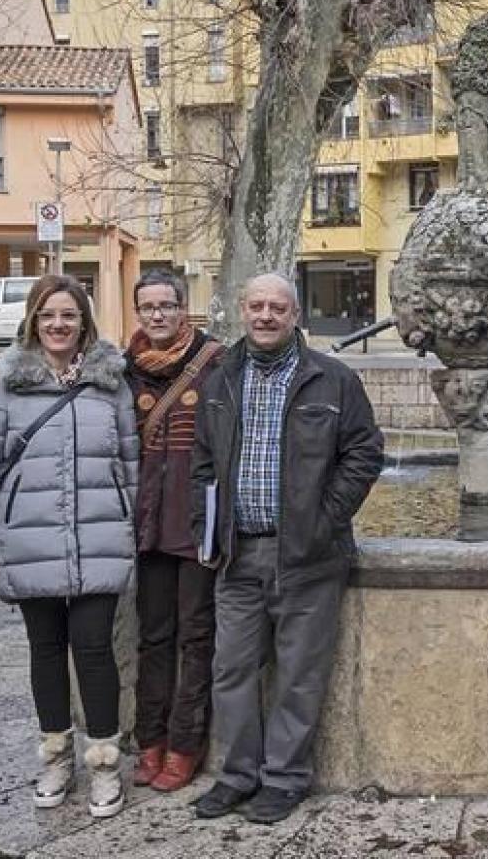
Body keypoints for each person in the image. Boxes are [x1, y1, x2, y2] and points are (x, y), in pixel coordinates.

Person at [190, 273, 384, 825]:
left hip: (306, 557)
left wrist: (324, 520)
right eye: (257, 306)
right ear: (241, 311)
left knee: (299, 674)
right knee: (231, 670)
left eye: (278, 307)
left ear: (295, 315)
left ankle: (284, 779)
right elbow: (201, 462)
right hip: (238, 553)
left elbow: (364, 453)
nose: (266, 316)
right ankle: (236, 776)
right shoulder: (221, 378)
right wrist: (207, 525)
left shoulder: (332, 379)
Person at [0, 274, 139, 819]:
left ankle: (105, 762)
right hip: (29, 537)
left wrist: (133, 532)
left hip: (99, 536)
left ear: (84, 321)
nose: (58, 325)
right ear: (33, 322)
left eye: (68, 315)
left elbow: (132, 467)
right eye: (48, 315)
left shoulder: (112, 384)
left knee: (93, 649)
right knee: (44, 651)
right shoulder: (5, 388)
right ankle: (56, 757)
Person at [123, 270, 224, 793]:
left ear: (185, 308)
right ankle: (150, 742)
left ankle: (185, 746)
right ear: (137, 312)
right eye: (148, 307)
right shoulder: (125, 370)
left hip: (196, 528)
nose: (158, 315)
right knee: (152, 639)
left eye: (167, 305)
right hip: (147, 531)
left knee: (196, 638)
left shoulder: (216, 364)